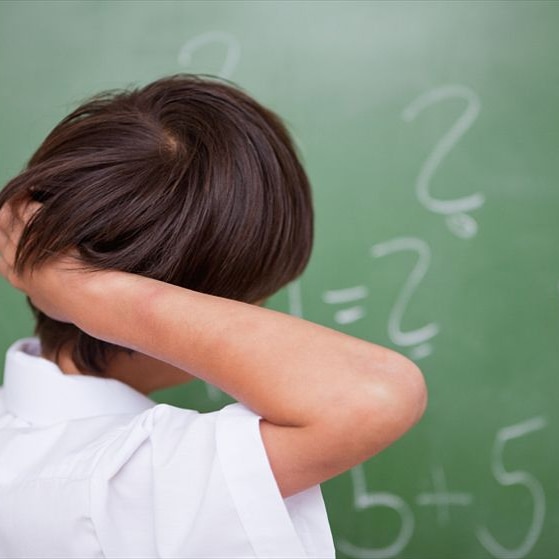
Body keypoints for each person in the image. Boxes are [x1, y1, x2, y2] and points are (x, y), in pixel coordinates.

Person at [0, 74, 427, 558]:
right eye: (248, 302)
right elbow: (378, 392)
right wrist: (85, 287)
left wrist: (65, 269)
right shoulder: (121, 484)